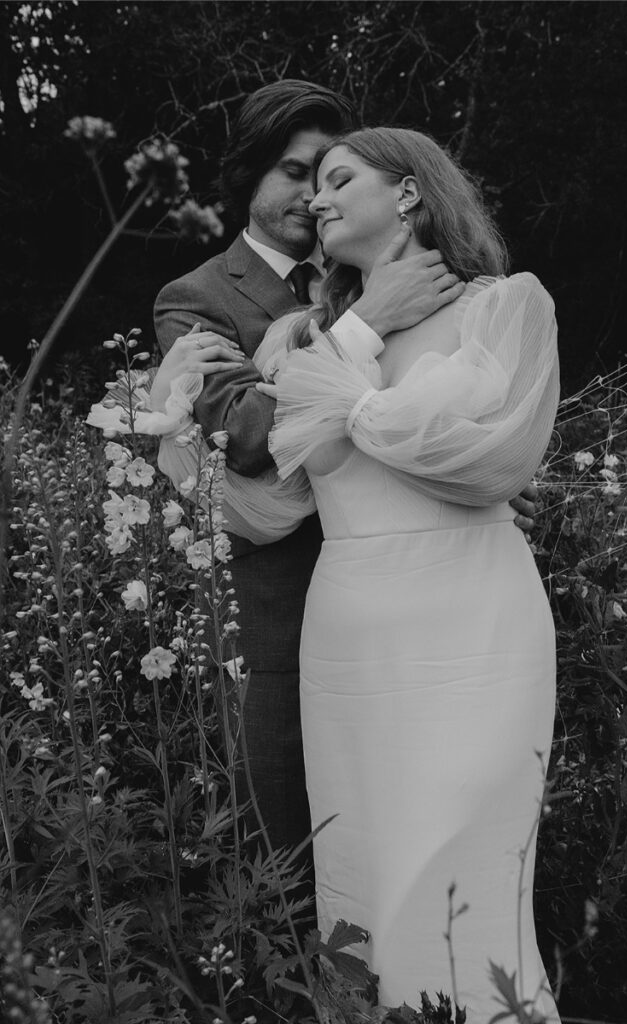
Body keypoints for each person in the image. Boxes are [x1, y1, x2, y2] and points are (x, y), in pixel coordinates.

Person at [152, 81, 537, 876]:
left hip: (450, 599)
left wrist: (469, 478)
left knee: (450, 838)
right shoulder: (195, 300)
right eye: (295, 173)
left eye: (331, 176)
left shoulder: (430, 286)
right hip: (298, 613)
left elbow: (471, 415)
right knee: (315, 860)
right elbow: (250, 439)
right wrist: (366, 322)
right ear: (249, 178)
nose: (312, 196)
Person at [244, 127, 560, 1019]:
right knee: (369, 873)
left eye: (340, 179)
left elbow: (496, 465)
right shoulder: (302, 336)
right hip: (349, 636)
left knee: (466, 873)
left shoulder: (506, 306)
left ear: (411, 194)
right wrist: (354, 342)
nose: (316, 198)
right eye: (313, 186)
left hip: (477, 623)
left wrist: (345, 398)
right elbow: (270, 474)